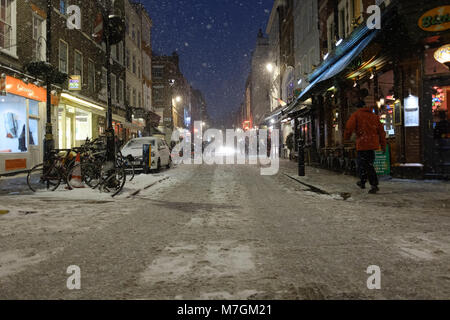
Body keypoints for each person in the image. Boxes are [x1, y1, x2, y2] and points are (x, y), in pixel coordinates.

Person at [344, 88, 387, 194]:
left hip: (362, 144)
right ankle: (363, 182)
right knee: (368, 164)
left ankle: (373, 184)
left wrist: (346, 138)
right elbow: (381, 132)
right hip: (372, 145)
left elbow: (349, 128)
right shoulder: (374, 116)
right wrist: (383, 145)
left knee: (363, 164)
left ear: (357, 107)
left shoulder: (356, 115)